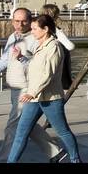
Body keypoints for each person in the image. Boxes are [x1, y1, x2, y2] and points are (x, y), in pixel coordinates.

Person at [0, 7, 62, 163]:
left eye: (24, 21)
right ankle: (56, 153)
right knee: (27, 125)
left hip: (26, 90)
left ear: (30, 21)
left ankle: (3, 160)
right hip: (15, 89)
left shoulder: (36, 39)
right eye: (16, 21)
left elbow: (39, 67)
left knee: (12, 127)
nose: (20, 24)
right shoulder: (13, 37)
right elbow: (4, 61)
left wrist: (21, 58)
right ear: (12, 21)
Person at [6, 13, 82, 163]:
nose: (32, 31)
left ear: (45, 29)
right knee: (21, 133)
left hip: (50, 99)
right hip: (34, 98)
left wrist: (31, 93)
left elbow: (47, 74)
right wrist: (21, 57)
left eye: (34, 29)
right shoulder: (40, 46)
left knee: (63, 132)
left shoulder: (54, 47)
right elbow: (36, 68)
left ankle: (75, 160)